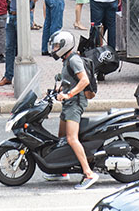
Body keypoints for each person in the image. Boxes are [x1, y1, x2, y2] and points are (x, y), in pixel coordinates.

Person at [47, 31, 97, 190]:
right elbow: (70, 79)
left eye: (56, 46)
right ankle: (61, 170)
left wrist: (69, 94)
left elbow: (84, 80)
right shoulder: (67, 59)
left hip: (75, 103)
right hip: (68, 103)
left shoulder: (74, 60)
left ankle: (88, 173)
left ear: (65, 45)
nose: (54, 49)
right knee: (61, 137)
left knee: (71, 138)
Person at [0, 0, 39, 88]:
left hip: (23, 14)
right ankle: (8, 75)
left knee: (22, 48)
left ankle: (21, 78)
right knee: (9, 47)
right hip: (12, 13)